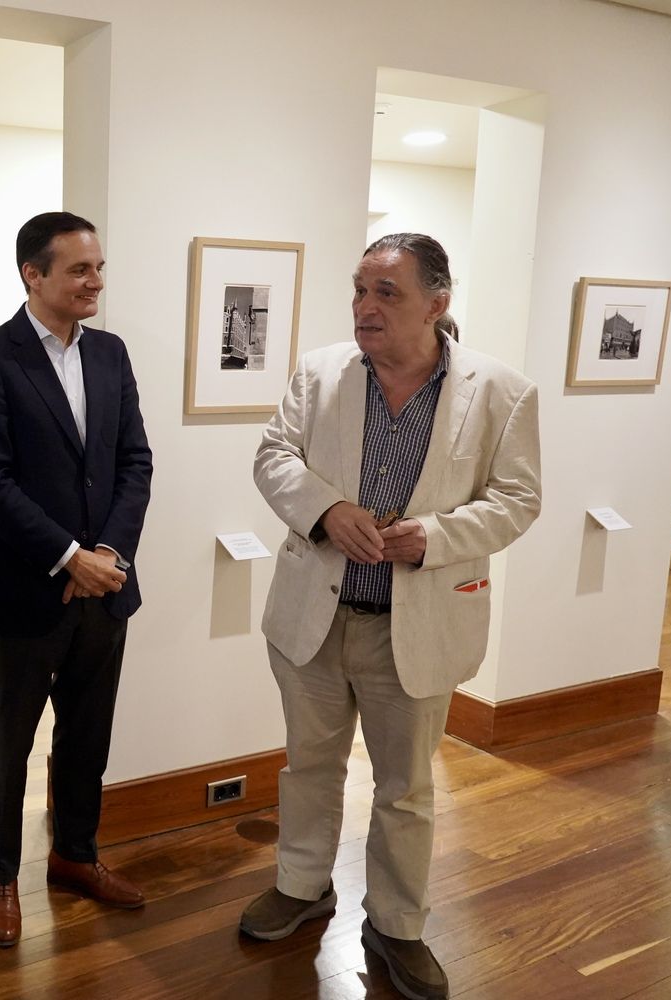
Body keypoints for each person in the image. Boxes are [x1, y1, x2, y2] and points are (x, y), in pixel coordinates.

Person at [241, 233, 542, 1000]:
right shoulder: (321, 372)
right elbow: (274, 457)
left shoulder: (501, 392)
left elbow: (517, 499)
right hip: (315, 614)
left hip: (416, 625)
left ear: (437, 304)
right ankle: (302, 884)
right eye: (359, 289)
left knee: (405, 787)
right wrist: (326, 509)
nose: (365, 307)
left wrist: (435, 537)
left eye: (386, 293)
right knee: (308, 764)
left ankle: (398, 923)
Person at [0, 211, 154, 948]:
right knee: (9, 743)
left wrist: (108, 556)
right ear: (32, 275)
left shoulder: (110, 353)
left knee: (87, 737)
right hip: (23, 589)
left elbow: (134, 461)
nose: (95, 281)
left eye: (99, 268)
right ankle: (1, 875)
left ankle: (74, 854)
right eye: (79, 269)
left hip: (106, 587)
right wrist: (70, 557)